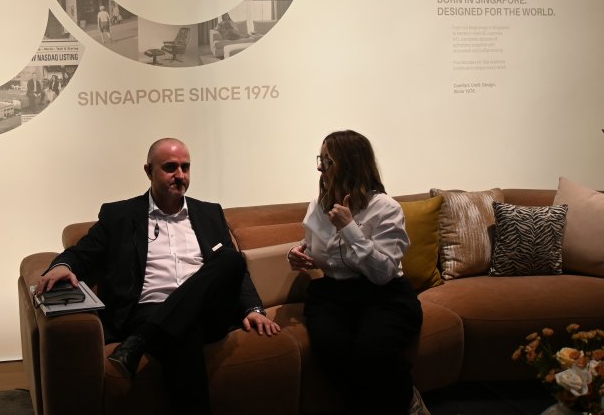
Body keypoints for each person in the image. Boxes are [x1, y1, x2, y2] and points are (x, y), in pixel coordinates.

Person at [37, 138, 279, 415]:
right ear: (148, 170)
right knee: (184, 337)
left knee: (230, 259)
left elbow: (235, 272)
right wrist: (62, 265)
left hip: (207, 309)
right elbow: (83, 252)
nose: (180, 175)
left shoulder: (209, 212)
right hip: (148, 308)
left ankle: (141, 339)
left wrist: (253, 308)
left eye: (185, 167)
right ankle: (152, 334)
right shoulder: (120, 215)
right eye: (170, 167)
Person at [287, 130, 425, 415]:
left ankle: (407, 402)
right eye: (320, 159)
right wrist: (299, 253)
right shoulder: (317, 206)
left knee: (372, 351)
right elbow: (315, 246)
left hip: (383, 295)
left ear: (350, 164)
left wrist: (350, 228)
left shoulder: (385, 208)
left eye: (327, 161)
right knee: (331, 349)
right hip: (332, 295)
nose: (319, 168)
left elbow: (383, 273)